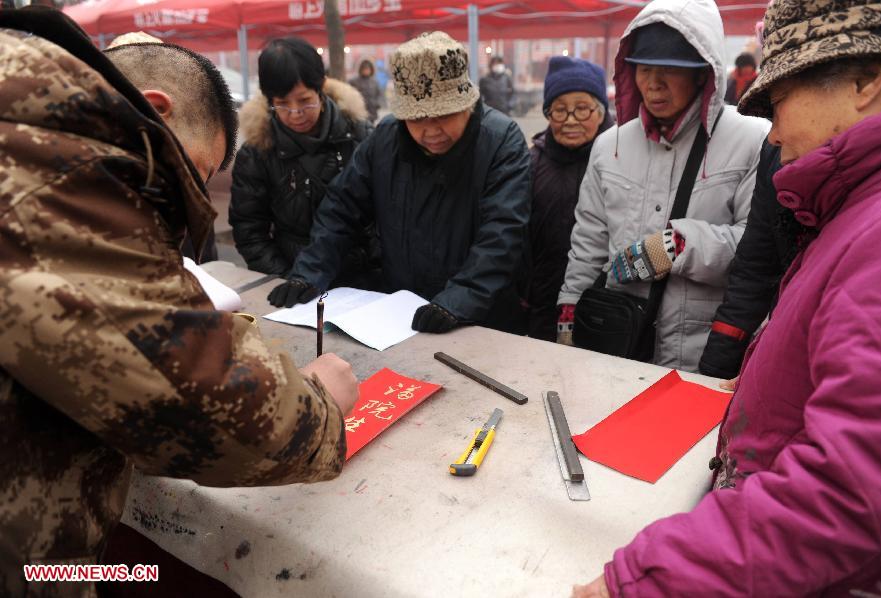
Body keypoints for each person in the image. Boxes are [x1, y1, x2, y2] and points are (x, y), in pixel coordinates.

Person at [0, 10, 358, 596]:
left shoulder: (32, 133)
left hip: (48, 554)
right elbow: (206, 406)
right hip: (32, 570)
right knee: (151, 571)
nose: (193, 195)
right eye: (200, 171)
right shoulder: (53, 170)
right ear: (157, 109)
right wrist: (321, 404)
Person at [573, 0, 881, 595]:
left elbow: (844, 494)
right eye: (642, 68)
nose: (775, 133)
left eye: (780, 104)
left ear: (863, 80)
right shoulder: (859, 206)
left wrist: (649, 580)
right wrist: (763, 376)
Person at [267, 31, 531, 335]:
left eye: (443, 114)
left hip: (483, 321)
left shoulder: (501, 141)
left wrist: (458, 301)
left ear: (467, 105)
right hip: (401, 314)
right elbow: (341, 207)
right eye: (417, 118)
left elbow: (502, 234)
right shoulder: (386, 138)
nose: (430, 130)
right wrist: (308, 273)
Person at [556, 0, 769, 372]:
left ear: (705, 73)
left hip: (705, 356)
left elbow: (763, 249)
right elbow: (588, 243)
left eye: (671, 70)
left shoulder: (753, 139)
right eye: (644, 69)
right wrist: (568, 320)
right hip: (617, 348)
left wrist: (676, 247)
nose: (653, 84)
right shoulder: (610, 146)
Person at [229, 38, 375, 280]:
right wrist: (288, 279)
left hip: (363, 276)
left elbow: (384, 214)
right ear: (269, 101)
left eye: (305, 101)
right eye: (282, 105)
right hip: (292, 275)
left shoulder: (359, 135)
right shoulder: (257, 152)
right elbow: (250, 230)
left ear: (321, 89)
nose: (295, 114)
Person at [526, 56, 614, 341]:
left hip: (605, 305)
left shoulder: (620, 157)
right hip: (543, 303)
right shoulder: (533, 162)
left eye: (582, 109)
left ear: (601, 112)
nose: (571, 120)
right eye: (560, 111)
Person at [698, 140, 801, 379]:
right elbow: (754, 266)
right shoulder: (775, 150)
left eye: (780, 104)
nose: (773, 134)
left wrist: (685, 243)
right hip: (780, 356)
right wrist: (715, 371)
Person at [349, 58, 382, 123]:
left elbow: (379, 94)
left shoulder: (374, 82)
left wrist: (377, 104)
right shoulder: (354, 81)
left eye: (368, 69)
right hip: (360, 110)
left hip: (372, 110)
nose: (366, 71)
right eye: (364, 69)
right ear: (361, 70)